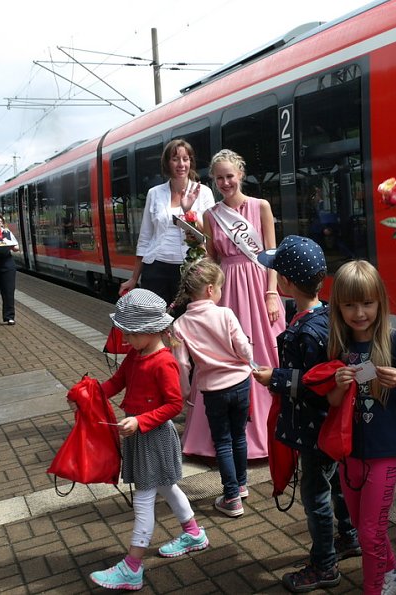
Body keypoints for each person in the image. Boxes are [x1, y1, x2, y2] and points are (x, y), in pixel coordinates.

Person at [80, 289, 208, 591]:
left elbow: (175, 404)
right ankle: (193, 533)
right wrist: (86, 395)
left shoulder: (163, 362)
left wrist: (140, 420)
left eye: (130, 334)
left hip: (153, 437)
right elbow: (115, 383)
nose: (125, 340)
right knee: (166, 486)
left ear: (150, 331)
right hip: (141, 436)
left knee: (144, 500)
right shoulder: (137, 355)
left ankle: (133, 567)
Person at [252, 235, 360, 592]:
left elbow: (314, 384)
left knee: (315, 496)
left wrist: (275, 378)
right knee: (337, 484)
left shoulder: (304, 333)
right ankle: (349, 536)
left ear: (284, 283)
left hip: (314, 431)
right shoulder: (326, 315)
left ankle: (324, 564)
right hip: (331, 429)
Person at [326, 260, 396, 595]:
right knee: (364, 526)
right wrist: (337, 383)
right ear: (338, 305)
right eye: (350, 304)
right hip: (348, 452)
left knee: (368, 533)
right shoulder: (338, 344)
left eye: (367, 303)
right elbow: (334, 402)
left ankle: (375, 587)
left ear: (380, 300)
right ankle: (393, 574)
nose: (359, 312)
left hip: (384, 452)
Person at [182, 149, 285, 459]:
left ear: (240, 174)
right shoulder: (211, 216)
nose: (225, 182)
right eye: (219, 178)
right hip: (227, 291)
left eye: (230, 176)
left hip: (259, 287)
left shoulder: (261, 207)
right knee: (227, 352)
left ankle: (272, 431)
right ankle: (223, 436)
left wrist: (271, 293)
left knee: (266, 351)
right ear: (214, 180)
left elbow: (272, 253)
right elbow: (212, 259)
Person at [170, 259, 254, 517]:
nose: (220, 292)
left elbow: (182, 365)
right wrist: (246, 358)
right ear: (209, 289)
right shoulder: (226, 314)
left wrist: (184, 394)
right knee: (239, 436)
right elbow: (243, 348)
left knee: (223, 442)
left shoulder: (180, 325)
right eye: (219, 288)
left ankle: (231, 497)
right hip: (241, 382)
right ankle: (241, 485)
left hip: (213, 390)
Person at [119, 139, 215, 305]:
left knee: (186, 323)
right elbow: (145, 237)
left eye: (185, 159)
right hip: (156, 268)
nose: (181, 164)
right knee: (156, 322)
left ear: (191, 161)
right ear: (167, 163)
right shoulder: (154, 193)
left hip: (191, 269)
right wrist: (134, 278)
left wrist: (188, 212)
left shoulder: (203, 193)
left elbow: (210, 233)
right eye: (175, 159)